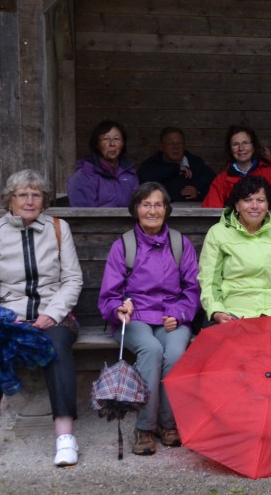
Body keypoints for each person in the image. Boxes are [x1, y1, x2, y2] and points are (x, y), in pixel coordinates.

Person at [0, 170, 83, 467]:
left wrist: (50, 314)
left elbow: (72, 279)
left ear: (43, 200)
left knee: (56, 349)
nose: (29, 200)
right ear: (10, 200)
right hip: (10, 317)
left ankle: (65, 436)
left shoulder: (58, 228)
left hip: (53, 315)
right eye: (22, 195)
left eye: (36, 195)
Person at [98, 182, 201, 455]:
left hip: (172, 316)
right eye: (146, 205)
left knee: (177, 351)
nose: (152, 211)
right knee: (152, 350)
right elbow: (109, 294)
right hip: (135, 317)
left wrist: (179, 314)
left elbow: (193, 289)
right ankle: (144, 427)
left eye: (158, 205)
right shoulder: (125, 245)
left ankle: (167, 424)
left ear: (167, 209)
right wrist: (119, 308)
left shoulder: (180, 243)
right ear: (136, 209)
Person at [198, 175, 271, 324]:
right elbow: (209, 280)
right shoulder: (218, 233)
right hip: (231, 312)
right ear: (237, 205)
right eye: (247, 200)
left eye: (261, 200)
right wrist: (216, 311)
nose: (254, 206)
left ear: (268, 205)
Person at [201, 125, 271, 208]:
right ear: (230, 149)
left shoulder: (269, 174)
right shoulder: (221, 180)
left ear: (253, 146)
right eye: (235, 144)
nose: (241, 148)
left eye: (245, 143)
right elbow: (212, 212)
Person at [67, 119, 139, 207]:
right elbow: (82, 216)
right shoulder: (84, 176)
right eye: (106, 139)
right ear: (97, 144)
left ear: (123, 143)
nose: (112, 144)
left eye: (117, 139)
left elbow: (137, 206)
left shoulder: (129, 174)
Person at [138, 127, 216, 202]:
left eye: (179, 143)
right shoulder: (151, 164)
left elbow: (215, 188)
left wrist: (198, 193)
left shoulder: (197, 164)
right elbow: (143, 178)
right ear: (161, 147)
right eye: (171, 144)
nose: (176, 147)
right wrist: (175, 169)